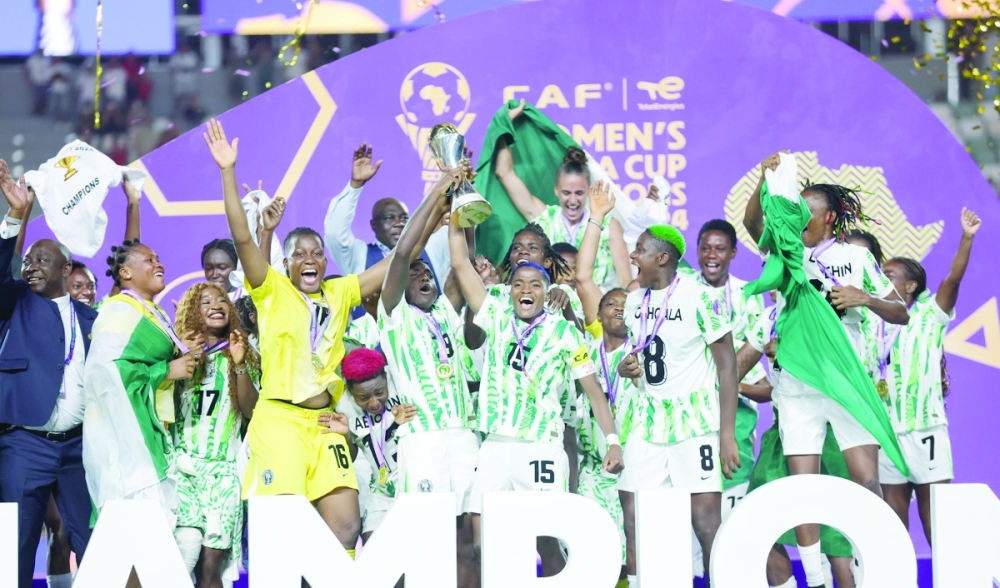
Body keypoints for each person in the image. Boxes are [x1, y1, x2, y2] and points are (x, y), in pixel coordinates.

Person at [206, 118, 398, 559]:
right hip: (278, 422)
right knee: (284, 533)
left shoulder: (340, 291)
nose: (310, 258)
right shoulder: (273, 289)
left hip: (325, 422)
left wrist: (436, 207)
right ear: (288, 264)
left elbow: (396, 260)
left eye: (316, 252)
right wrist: (227, 172)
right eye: (300, 254)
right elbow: (241, 236)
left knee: (347, 526)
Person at [742, 152, 910, 588]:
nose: (799, 221)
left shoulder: (856, 258)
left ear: (830, 217)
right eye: (795, 213)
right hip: (797, 385)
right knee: (803, 488)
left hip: (844, 382)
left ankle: (872, 568)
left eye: (808, 215)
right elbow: (751, 225)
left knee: (867, 480)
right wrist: (764, 180)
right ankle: (813, 579)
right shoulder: (784, 250)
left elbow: (901, 312)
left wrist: (866, 299)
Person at [448, 218, 624, 576]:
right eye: (517, 284)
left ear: (546, 291)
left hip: (540, 446)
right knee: (483, 541)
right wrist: (455, 214)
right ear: (509, 289)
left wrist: (613, 442)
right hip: (495, 447)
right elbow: (459, 263)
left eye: (534, 285)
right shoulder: (495, 312)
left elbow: (593, 392)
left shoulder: (564, 333)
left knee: (546, 537)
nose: (525, 290)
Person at [615, 224, 740, 588]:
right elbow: (638, 357)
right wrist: (627, 368)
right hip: (644, 425)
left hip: (694, 426)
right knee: (636, 517)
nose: (634, 256)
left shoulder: (700, 297)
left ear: (662, 258)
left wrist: (727, 434)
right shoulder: (635, 300)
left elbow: (727, 365)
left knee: (705, 522)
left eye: (640, 250)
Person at [378, 160, 481, 587]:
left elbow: (466, 261)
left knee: (469, 542)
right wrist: (441, 185)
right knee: (423, 540)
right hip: (422, 440)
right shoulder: (393, 315)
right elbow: (403, 252)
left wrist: (465, 193)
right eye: (415, 274)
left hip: (465, 438)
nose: (423, 276)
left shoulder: (446, 310)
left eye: (428, 273)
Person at [82, 237, 201, 588]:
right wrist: (168, 371)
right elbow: (106, 372)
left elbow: (143, 361)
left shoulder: (154, 312)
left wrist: (179, 356)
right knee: (135, 544)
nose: (158, 263)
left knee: (152, 542)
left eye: (159, 258)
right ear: (126, 272)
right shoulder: (119, 310)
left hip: (151, 436)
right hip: (125, 445)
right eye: (149, 260)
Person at [0, 160, 97, 588]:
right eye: (29, 260)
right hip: (25, 443)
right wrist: (15, 216)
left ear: (66, 271)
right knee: (14, 547)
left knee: (95, 541)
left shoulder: (90, 318)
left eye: (43, 260)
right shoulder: (15, 302)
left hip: (79, 447)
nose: (31, 266)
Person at [877, 208, 980, 545]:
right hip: (887, 436)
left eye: (888, 275)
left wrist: (966, 238)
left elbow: (953, 279)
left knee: (936, 522)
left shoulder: (930, 314)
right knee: (893, 529)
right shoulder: (870, 322)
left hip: (926, 431)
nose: (880, 279)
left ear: (910, 285)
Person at [737, 306, 855, 588]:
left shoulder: (826, 309)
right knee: (760, 525)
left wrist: (791, 352)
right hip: (783, 431)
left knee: (838, 534)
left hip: (833, 429)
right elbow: (735, 367)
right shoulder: (768, 317)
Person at [171, 282, 260, 588]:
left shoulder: (244, 353)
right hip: (183, 469)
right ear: (192, 312)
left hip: (223, 472)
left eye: (222, 300)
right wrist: (181, 353)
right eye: (205, 301)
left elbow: (250, 411)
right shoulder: (179, 353)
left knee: (211, 568)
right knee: (184, 552)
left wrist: (239, 365)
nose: (216, 305)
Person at [679, 219, 768, 524]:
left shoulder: (751, 294)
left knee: (735, 513)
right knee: (695, 507)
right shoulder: (683, 289)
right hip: (690, 415)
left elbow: (756, 358)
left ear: (733, 252)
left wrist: (730, 385)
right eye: (705, 248)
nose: (711, 255)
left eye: (719, 248)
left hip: (738, 417)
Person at [494, 100, 630, 292]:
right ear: (556, 189)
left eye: (579, 193)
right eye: (566, 193)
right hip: (552, 312)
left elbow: (625, 282)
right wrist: (504, 125)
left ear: (589, 191)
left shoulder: (608, 225)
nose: (573, 200)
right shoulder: (544, 218)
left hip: (596, 313)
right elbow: (504, 174)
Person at [324, 349, 415, 545]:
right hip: (381, 488)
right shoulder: (343, 405)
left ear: (386, 377)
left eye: (380, 392)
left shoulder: (401, 382)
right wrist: (346, 436)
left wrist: (400, 425)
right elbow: (353, 455)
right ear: (350, 391)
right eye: (364, 397)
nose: (374, 402)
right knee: (372, 550)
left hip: (410, 482)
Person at [323, 143, 450, 284]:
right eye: (390, 218)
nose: (400, 223)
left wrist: (459, 181)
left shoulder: (431, 249)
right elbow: (334, 234)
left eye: (404, 218)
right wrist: (355, 186)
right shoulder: (358, 256)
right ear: (374, 225)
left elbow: (463, 228)